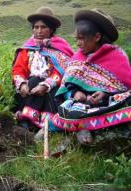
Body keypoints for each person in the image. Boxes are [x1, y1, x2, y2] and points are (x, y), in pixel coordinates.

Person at [52, 9, 131, 144]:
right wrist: (76, 92)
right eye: (77, 39)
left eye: (82, 39)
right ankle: (83, 127)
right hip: (81, 103)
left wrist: (104, 93)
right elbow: (68, 83)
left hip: (108, 102)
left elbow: (125, 85)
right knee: (69, 104)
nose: (78, 44)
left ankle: (82, 124)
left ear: (97, 37)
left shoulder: (117, 55)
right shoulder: (78, 56)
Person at [12, 6, 74, 139]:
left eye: (43, 27)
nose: (39, 31)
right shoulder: (27, 48)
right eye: (36, 27)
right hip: (30, 88)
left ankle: (43, 125)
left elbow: (62, 71)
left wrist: (46, 85)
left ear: (51, 29)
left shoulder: (60, 46)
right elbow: (18, 70)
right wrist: (22, 84)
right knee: (33, 81)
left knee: (52, 91)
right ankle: (26, 123)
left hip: (51, 88)